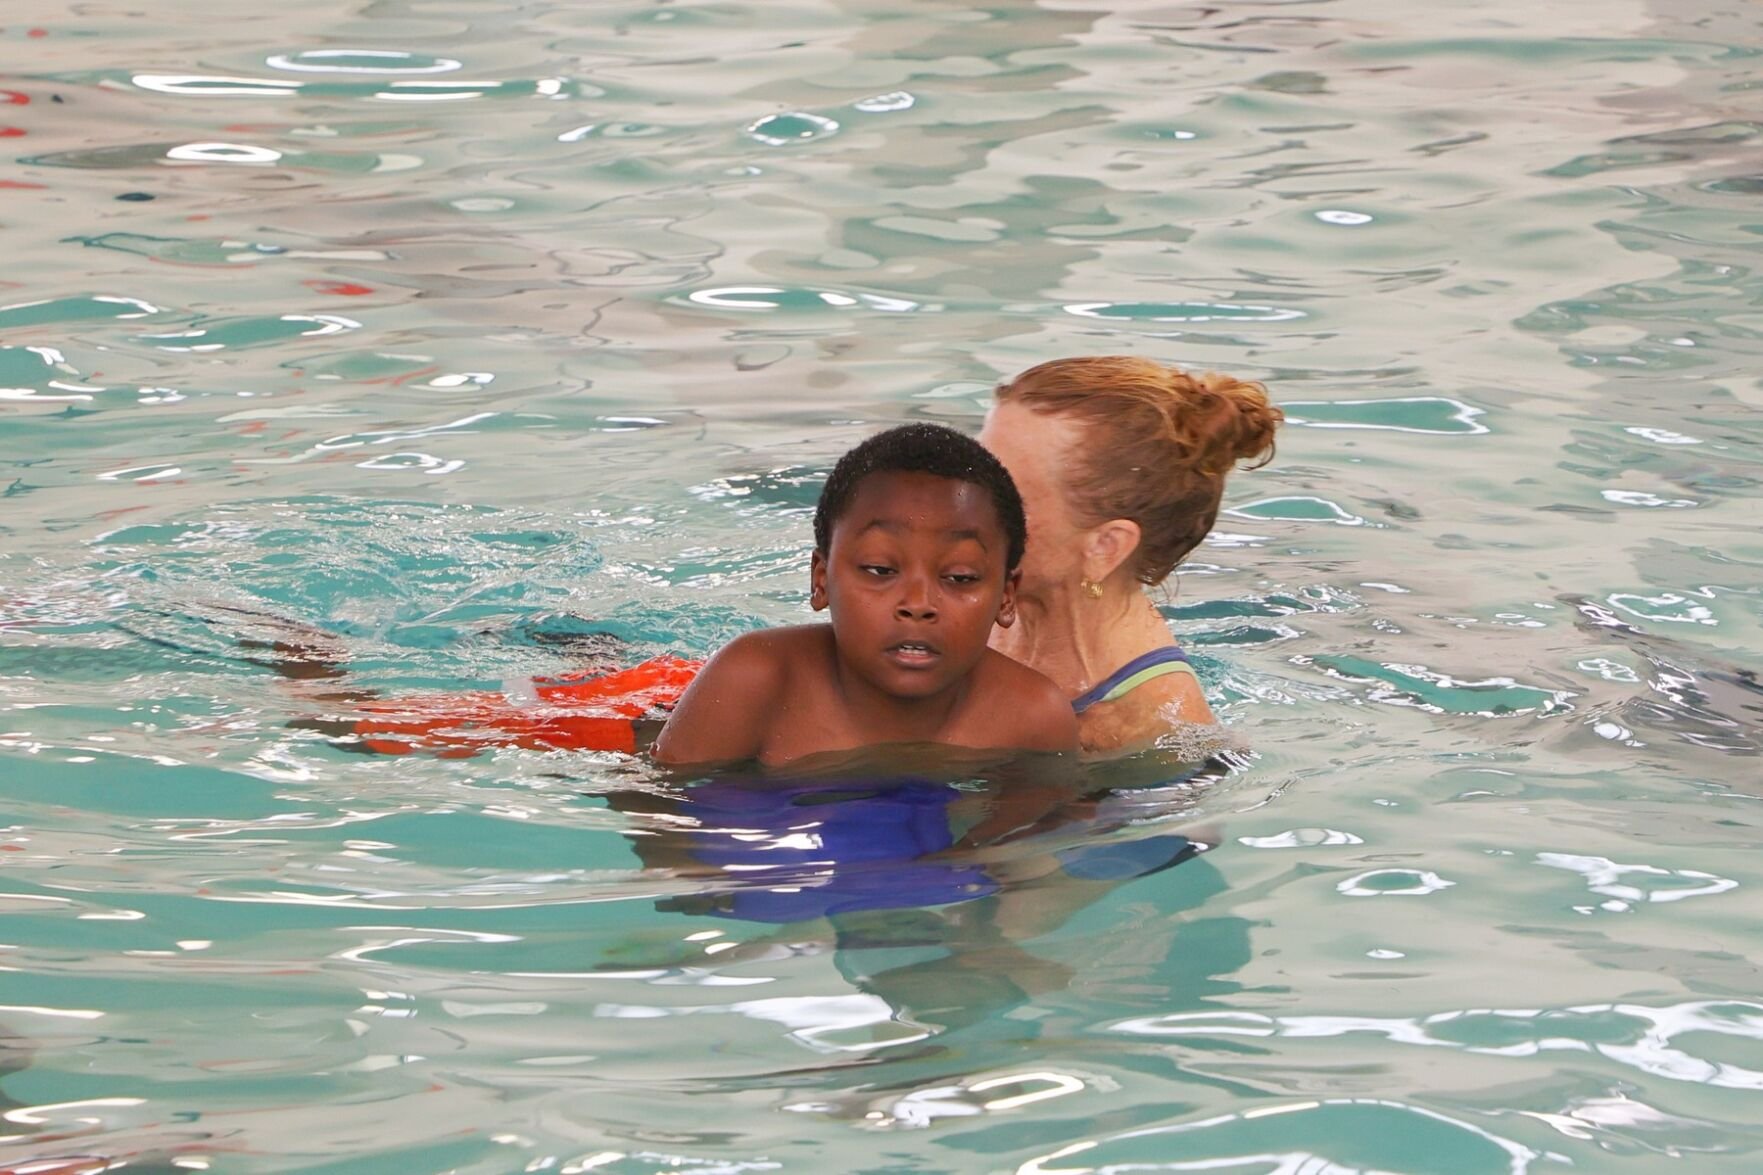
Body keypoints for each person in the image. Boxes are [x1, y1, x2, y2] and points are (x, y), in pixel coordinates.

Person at [651, 423, 1078, 766]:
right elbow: (667, 831)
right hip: (647, 707)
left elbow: (1027, 857)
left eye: (960, 577)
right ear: (821, 580)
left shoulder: (1033, 718)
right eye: (880, 570)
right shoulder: (756, 681)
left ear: (1006, 596)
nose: (918, 604)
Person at [978, 356, 1282, 754]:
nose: (957, 502)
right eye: (973, 468)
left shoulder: (1144, 733)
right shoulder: (958, 594)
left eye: (1002, 493)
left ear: (1105, 547)